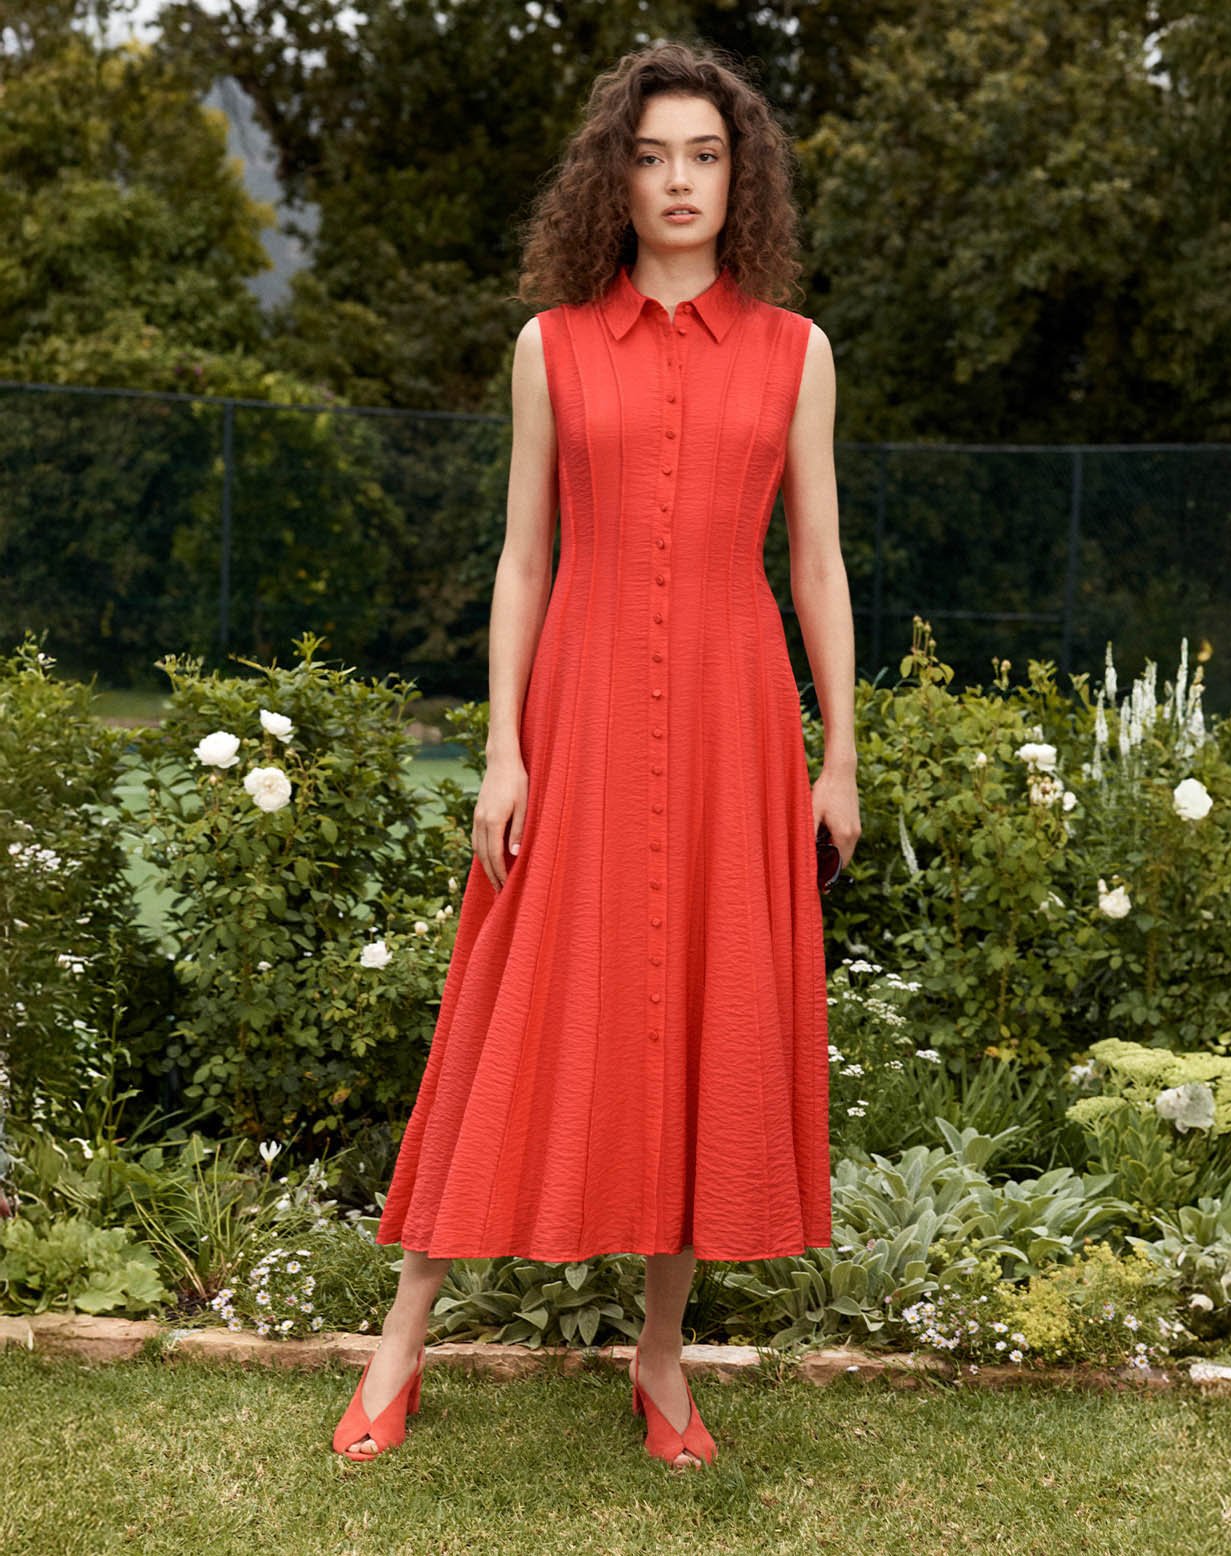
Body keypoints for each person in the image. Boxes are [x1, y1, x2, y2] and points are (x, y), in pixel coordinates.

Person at [332, 38, 860, 1471]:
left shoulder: (796, 352)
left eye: (704, 155)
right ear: (611, 178)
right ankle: (399, 1347)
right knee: (516, 999)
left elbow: (816, 567)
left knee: (701, 1009)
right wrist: (501, 750)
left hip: (741, 724)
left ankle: (664, 1361)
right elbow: (520, 561)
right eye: (651, 155)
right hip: (577, 714)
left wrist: (841, 756)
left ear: (738, 175)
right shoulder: (548, 345)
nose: (678, 181)